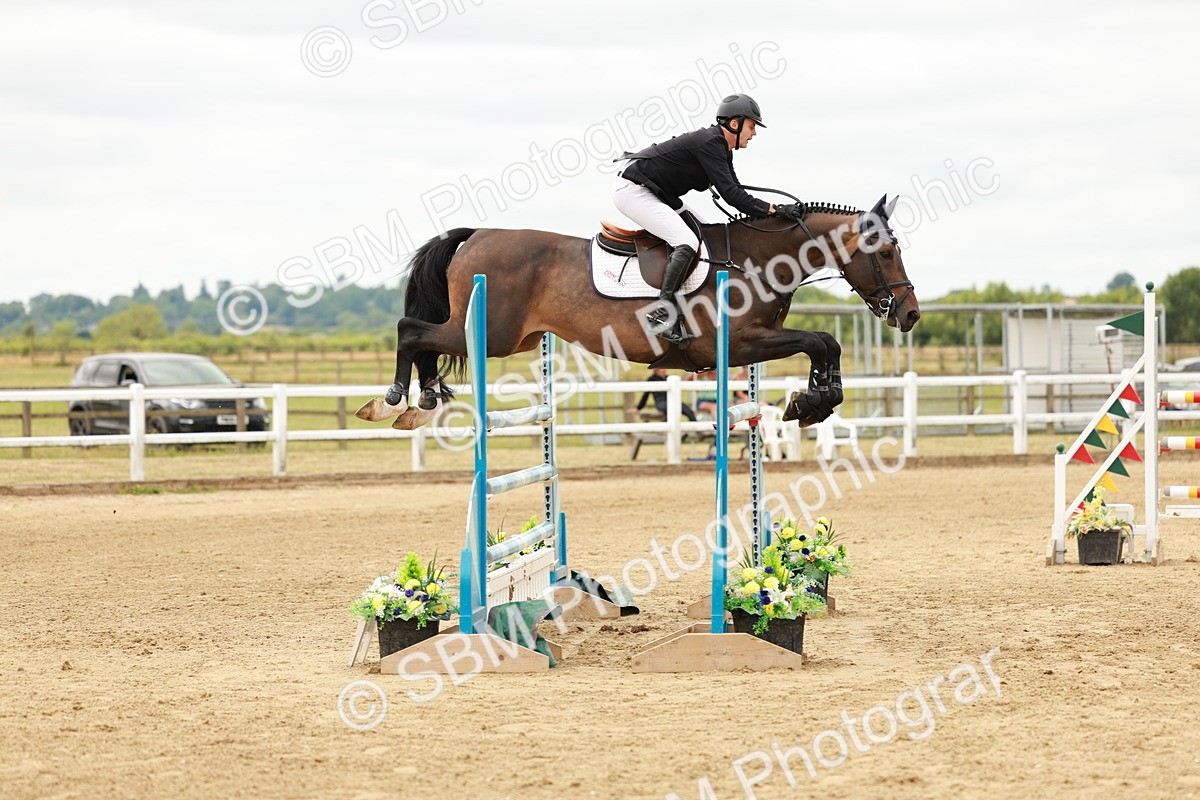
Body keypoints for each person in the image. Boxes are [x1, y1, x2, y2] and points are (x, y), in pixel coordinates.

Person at [612, 93, 808, 343]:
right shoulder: (711, 143)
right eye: (751, 126)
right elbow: (733, 196)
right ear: (734, 124)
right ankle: (661, 315)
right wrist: (775, 210)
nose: (754, 133)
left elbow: (735, 190)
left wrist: (773, 210)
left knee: (707, 236)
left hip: (658, 193)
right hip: (633, 190)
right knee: (687, 242)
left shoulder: (722, 147)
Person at [628, 368, 696, 421]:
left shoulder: (669, 378)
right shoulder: (652, 379)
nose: (664, 369)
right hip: (661, 402)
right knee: (671, 408)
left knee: (688, 410)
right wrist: (638, 407)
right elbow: (646, 394)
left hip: (672, 401)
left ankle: (697, 429)